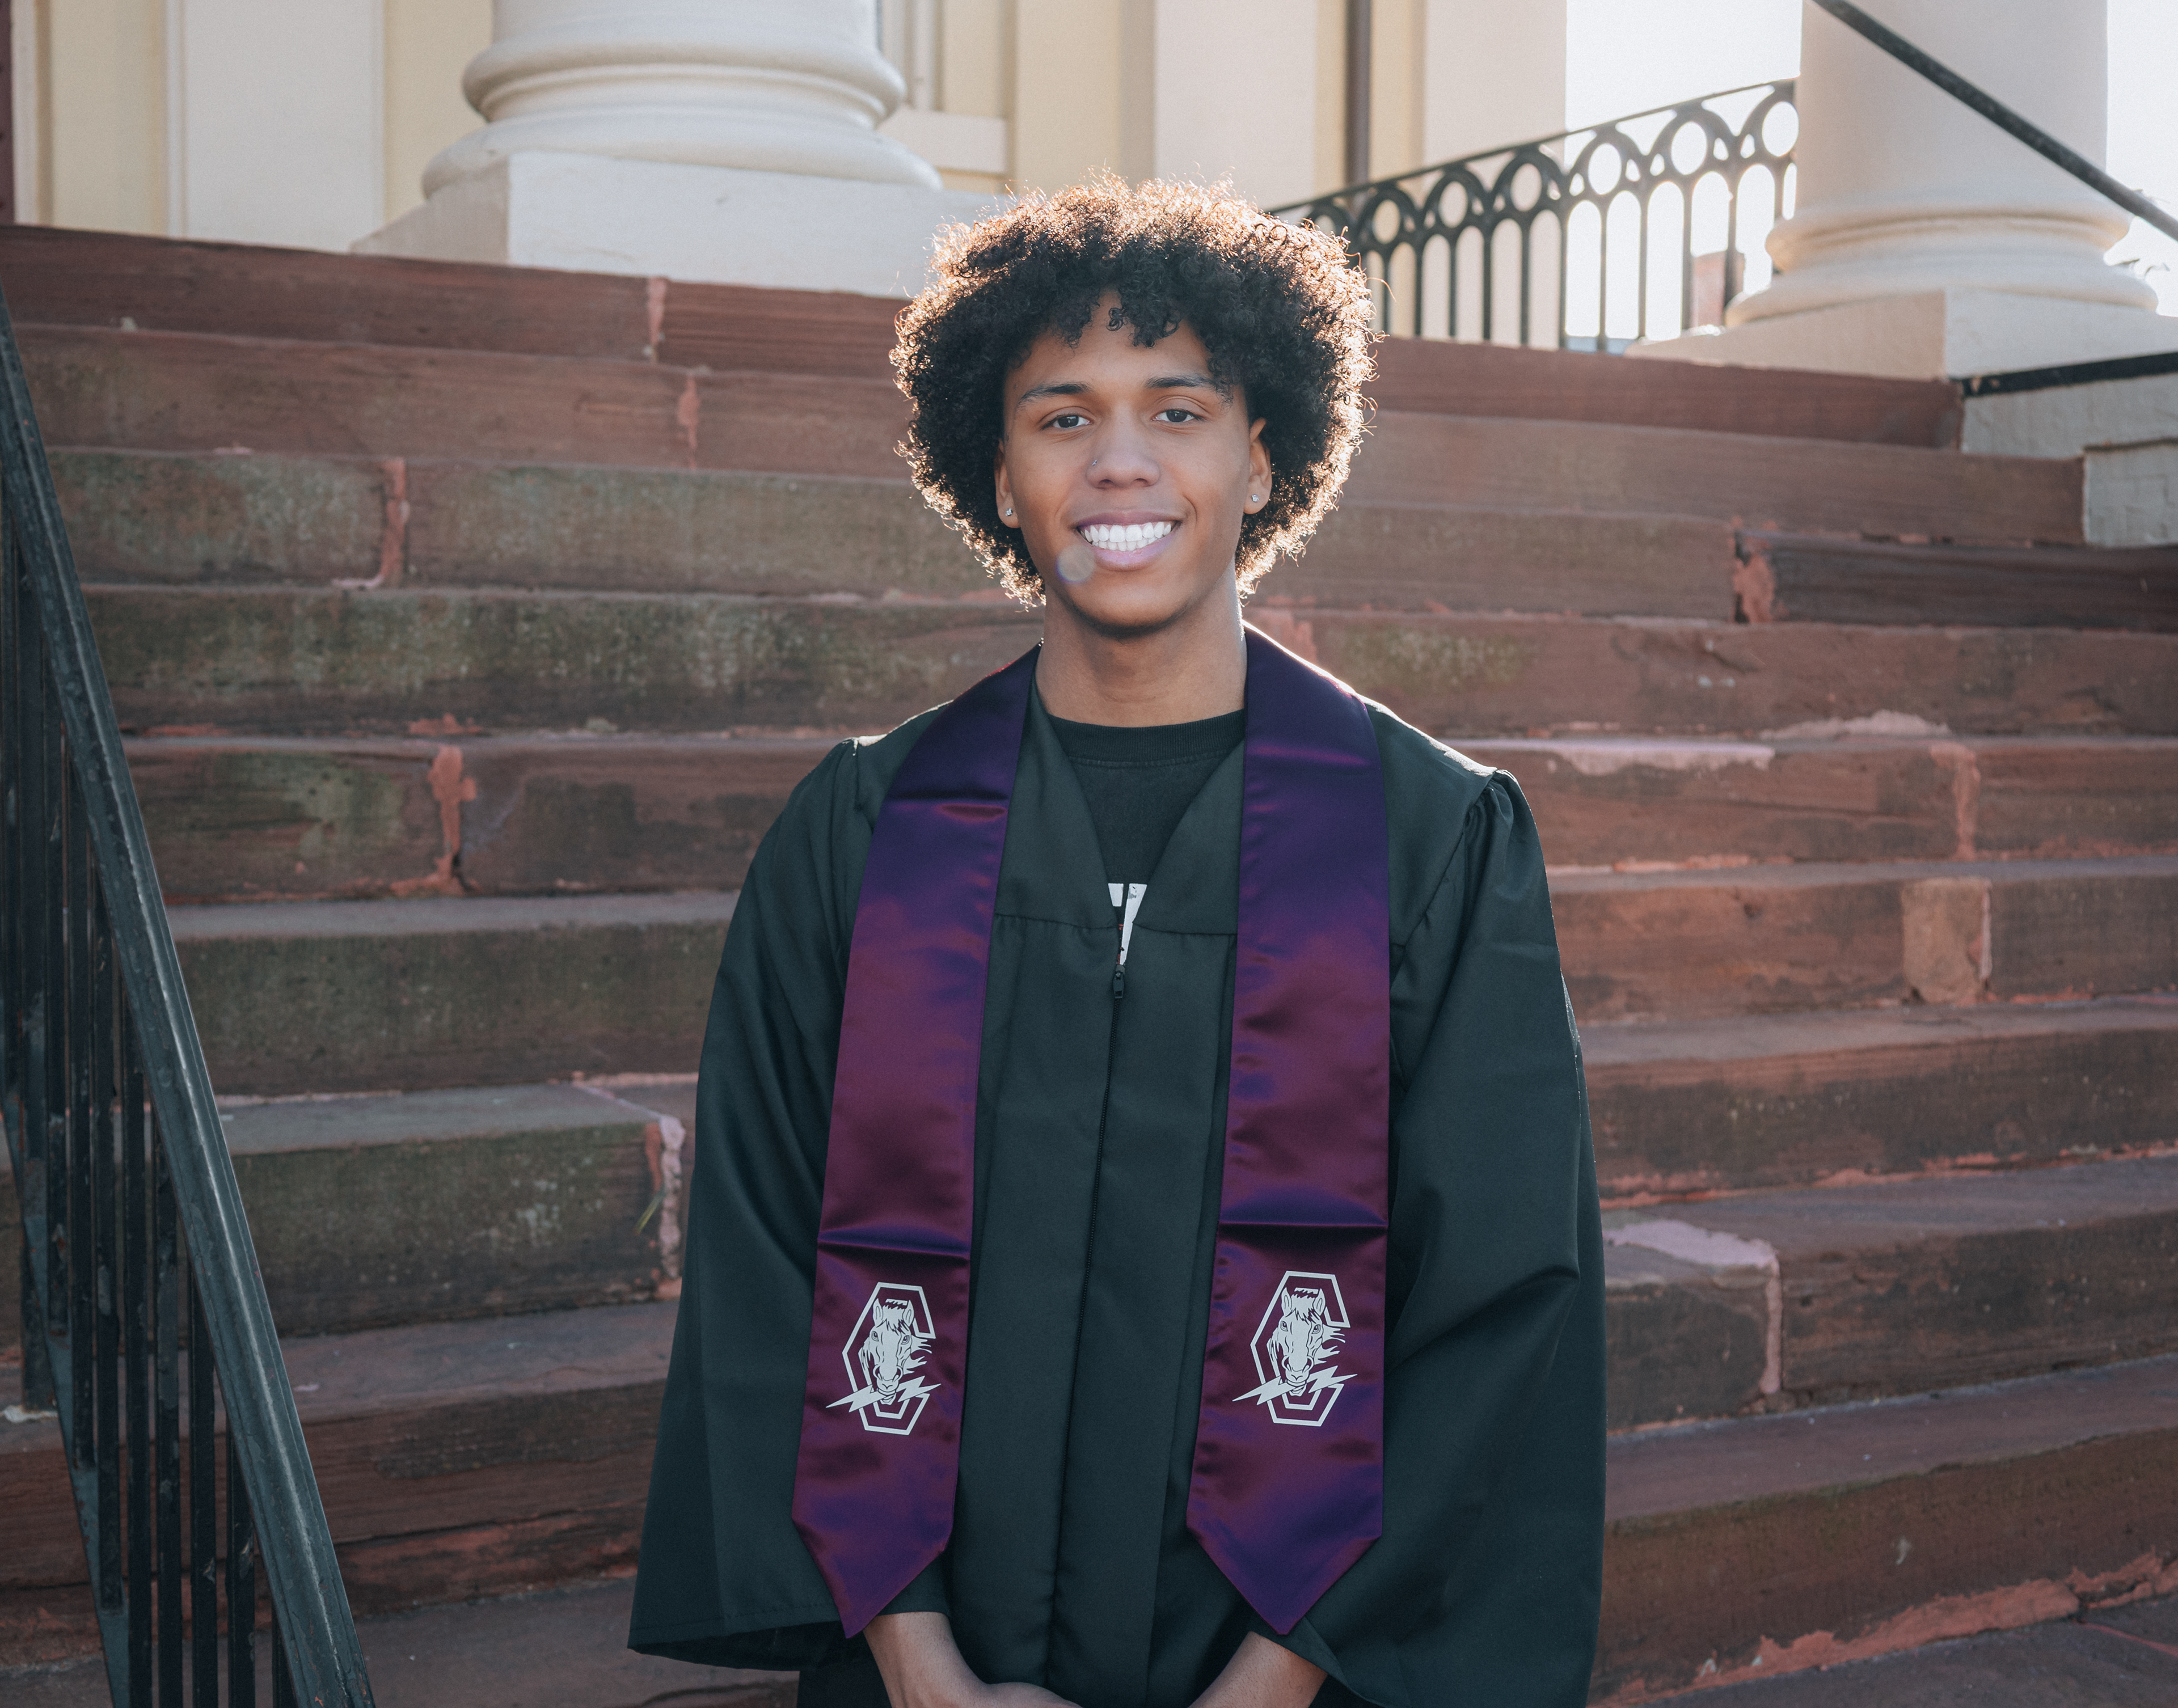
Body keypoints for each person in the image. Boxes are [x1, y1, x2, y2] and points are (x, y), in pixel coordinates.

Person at [628, 176, 1604, 1708]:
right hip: (927, 1659)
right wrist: (921, 1668)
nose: (1121, 462)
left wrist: (1267, 1691)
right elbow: (768, 1251)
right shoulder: (864, 832)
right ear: (997, 470)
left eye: (1180, 410)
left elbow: (1492, 1294)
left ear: (1264, 452)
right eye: (1062, 416)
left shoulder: (1431, 842)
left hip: (1289, 1669)